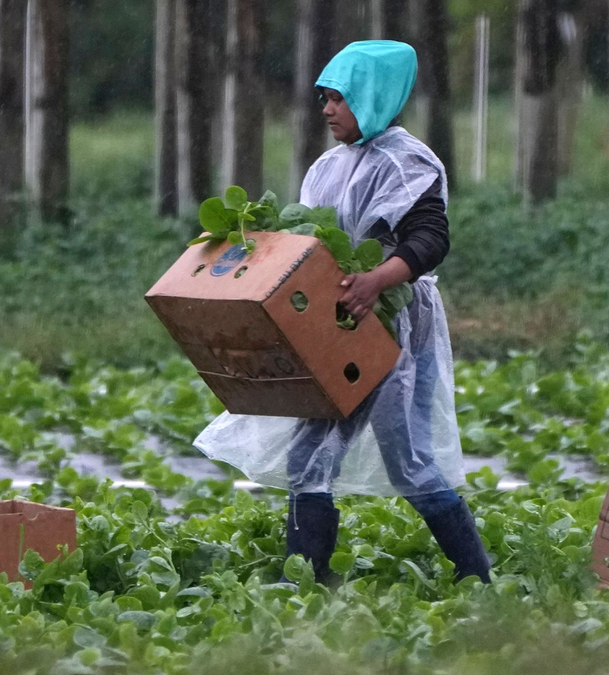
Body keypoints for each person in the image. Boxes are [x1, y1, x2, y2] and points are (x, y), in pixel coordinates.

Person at [194, 41, 490, 585]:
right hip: (334, 328)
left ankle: (476, 576)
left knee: (408, 461)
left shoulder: (408, 162)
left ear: (372, 98)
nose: (326, 109)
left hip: (390, 329)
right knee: (312, 454)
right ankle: (307, 577)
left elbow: (429, 238)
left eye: (338, 98)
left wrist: (378, 279)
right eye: (325, 98)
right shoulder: (329, 166)